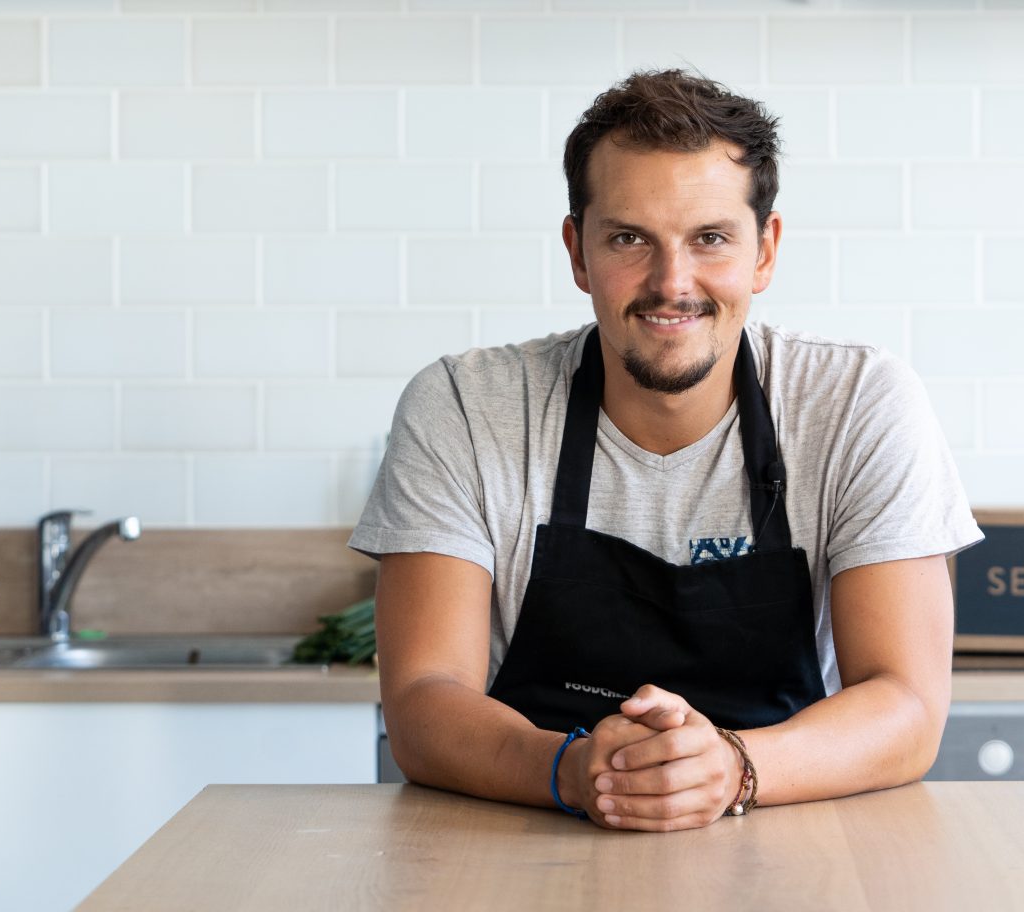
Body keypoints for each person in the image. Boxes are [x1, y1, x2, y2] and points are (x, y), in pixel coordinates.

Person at [350, 69, 983, 832]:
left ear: (765, 251)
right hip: (522, 836)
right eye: (628, 239)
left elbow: (906, 703)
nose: (670, 283)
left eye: (710, 238)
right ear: (578, 252)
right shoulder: (463, 405)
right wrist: (575, 771)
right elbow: (422, 700)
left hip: (793, 842)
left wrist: (735, 768)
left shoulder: (856, 402)